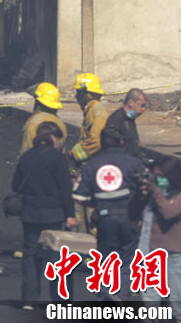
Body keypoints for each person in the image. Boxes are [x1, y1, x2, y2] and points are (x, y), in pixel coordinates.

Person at [73, 128, 147, 299]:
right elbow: (145, 189)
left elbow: (80, 196)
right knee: (127, 259)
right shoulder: (133, 162)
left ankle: (104, 297)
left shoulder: (92, 164)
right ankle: (121, 296)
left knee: (105, 259)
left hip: (105, 219)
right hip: (130, 218)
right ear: (121, 142)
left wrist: (96, 203)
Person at [12, 121, 77, 309]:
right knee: (57, 257)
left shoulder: (26, 157)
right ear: (53, 138)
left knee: (31, 255)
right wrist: (70, 215)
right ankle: (60, 299)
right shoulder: (57, 159)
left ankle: (29, 299)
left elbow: (16, 185)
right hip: (54, 214)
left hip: (30, 213)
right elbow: (65, 189)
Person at [140, 157, 181, 322]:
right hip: (151, 253)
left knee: (177, 308)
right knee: (150, 307)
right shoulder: (155, 195)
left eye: (161, 176)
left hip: (174, 256)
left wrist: (155, 191)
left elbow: (169, 212)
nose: (157, 180)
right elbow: (137, 216)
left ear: (171, 176)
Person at [68, 72, 110, 164]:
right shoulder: (91, 109)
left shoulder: (97, 111)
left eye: (78, 93)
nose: (76, 96)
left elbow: (96, 141)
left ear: (85, 94)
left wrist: (75, 153)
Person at [19, 82, 68, 156]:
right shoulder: (60, 124)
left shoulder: (34, 123)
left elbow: (26, 151)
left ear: (38, 101)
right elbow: (62, 152)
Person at [104, 88, 149, 159]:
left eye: (145, 106)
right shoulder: (117, 119)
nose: (144, 109)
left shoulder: (129, 119)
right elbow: (112, 146)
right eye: (142, 105)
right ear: (130, 103)